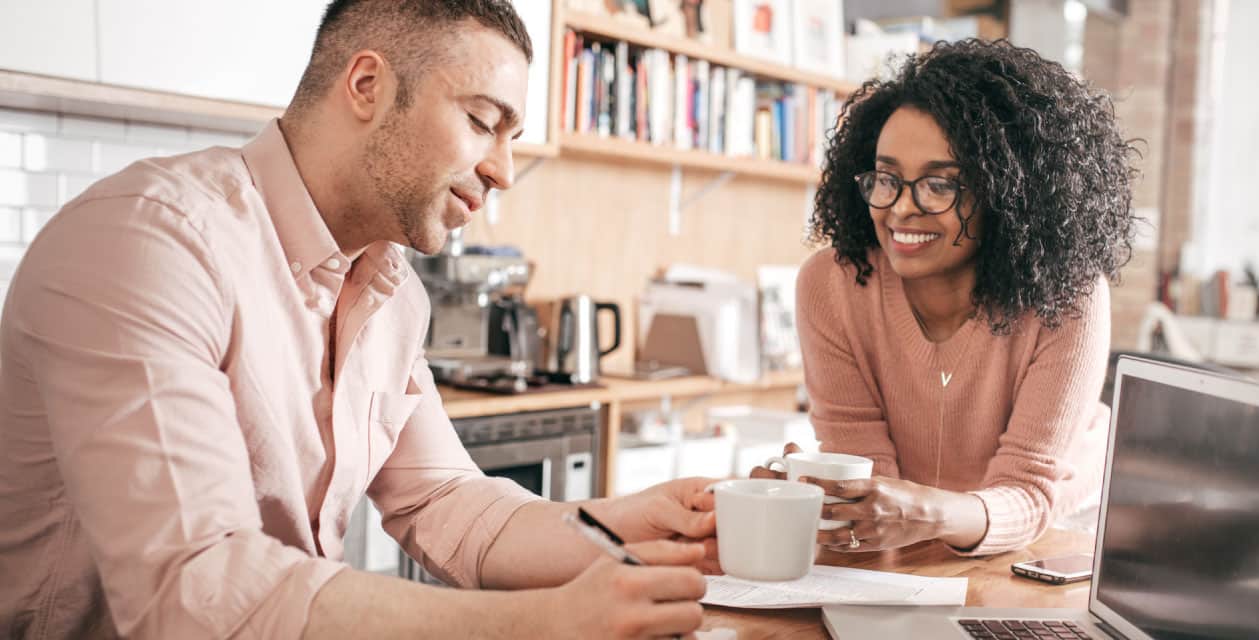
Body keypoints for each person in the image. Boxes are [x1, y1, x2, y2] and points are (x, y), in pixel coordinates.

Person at [0, 2, 715, 638]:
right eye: (480, 122)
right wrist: (543, 623)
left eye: (512, 138)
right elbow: (193, 593)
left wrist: (631, 521)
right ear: (367, 85)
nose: (502, 170)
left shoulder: (391, 291)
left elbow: (449, 504)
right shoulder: (150, 239)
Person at [754, 40, 1138, 556]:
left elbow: (1028, 492)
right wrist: (828, 497)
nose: (901, 209)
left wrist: (923, 513)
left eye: (939, 185)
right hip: (911, 538)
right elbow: (867, 479)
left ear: (1009, 193)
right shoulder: (832, 285)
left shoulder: (1067, 297)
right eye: (887, 178)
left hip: (1053, 538)